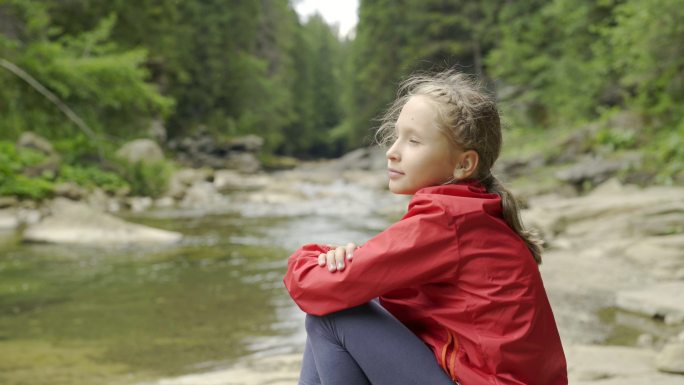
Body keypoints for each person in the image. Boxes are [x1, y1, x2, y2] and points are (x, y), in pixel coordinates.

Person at [283, 70, 567, 385]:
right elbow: (388, 291)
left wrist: (310, 258)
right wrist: (349, 261)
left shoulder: (447, 217)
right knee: (356, 300)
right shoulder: (476, 211)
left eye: (413, 141)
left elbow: (316, 288)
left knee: (332, 315)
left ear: (463, 164)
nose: (393, 150)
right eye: (396, 135)